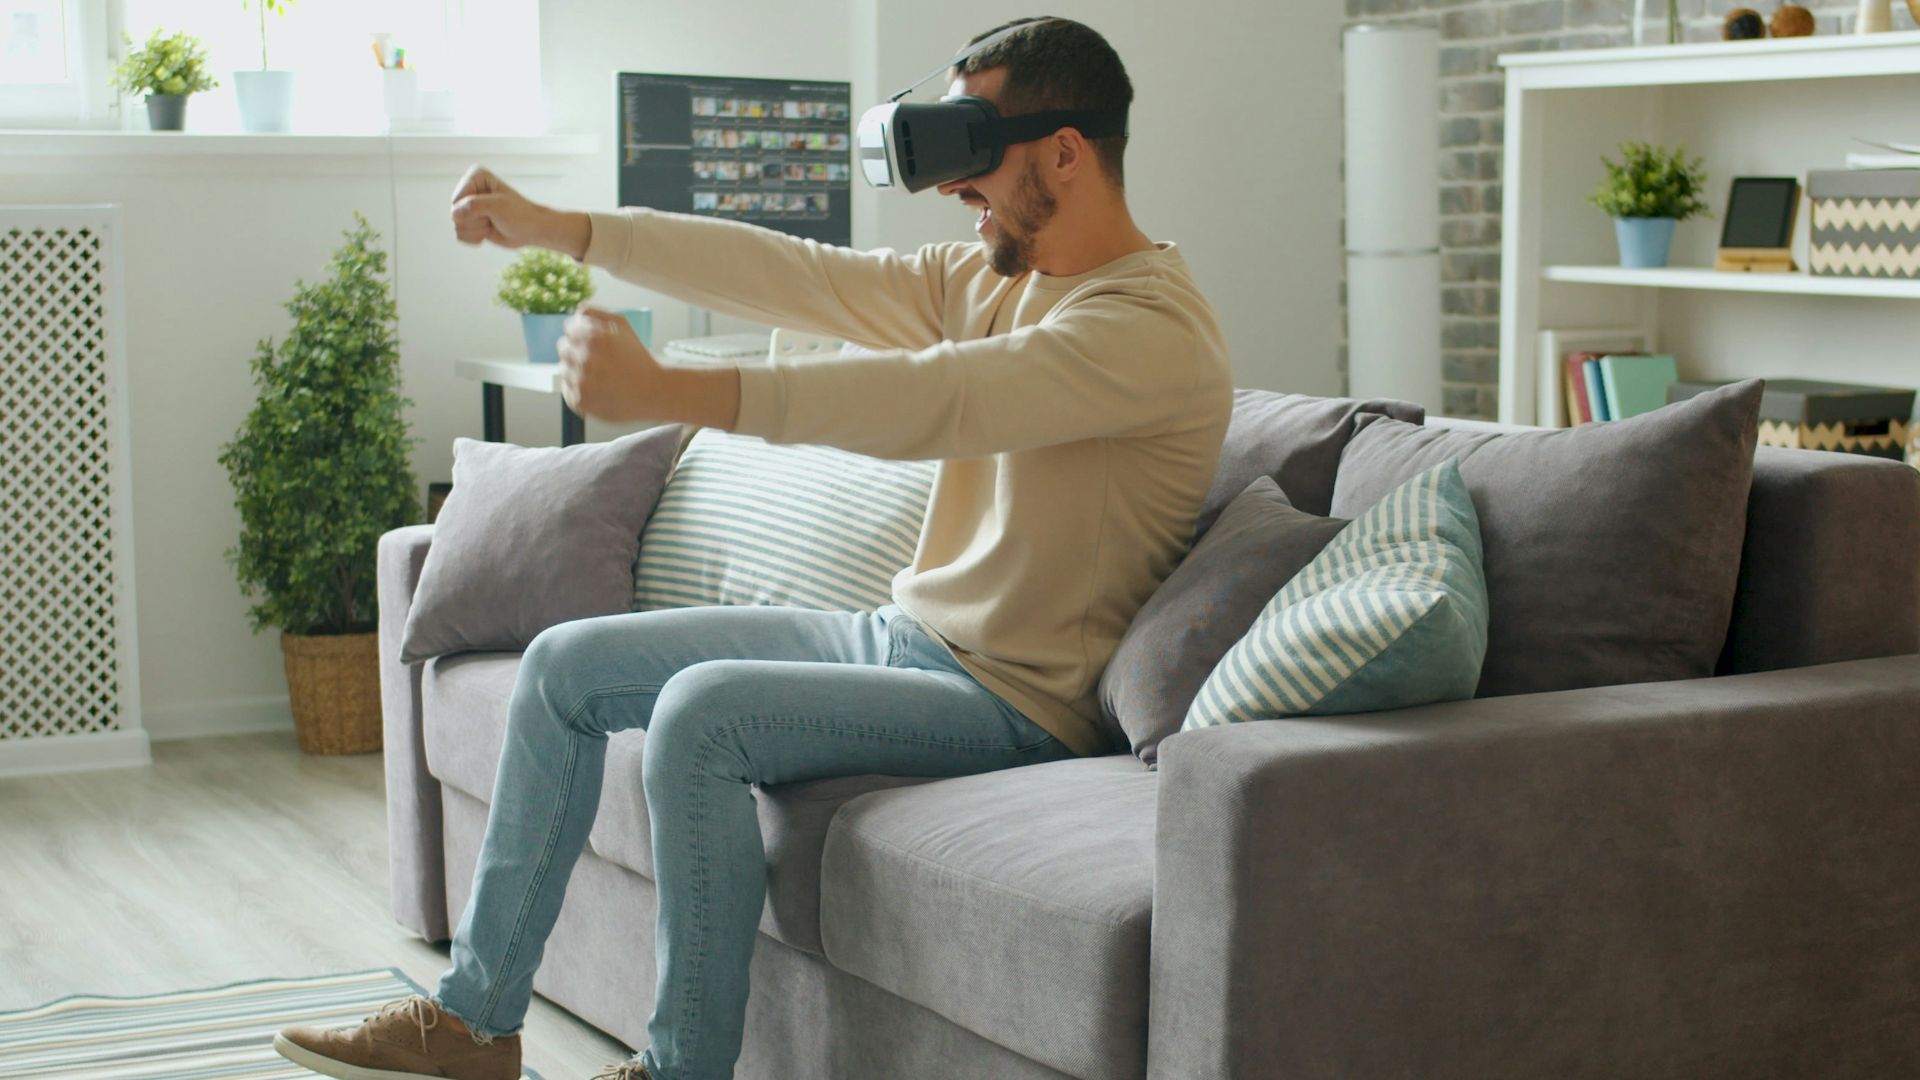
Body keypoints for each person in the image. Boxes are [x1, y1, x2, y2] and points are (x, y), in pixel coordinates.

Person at [274, 16, 1231, 1080]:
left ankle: (680, 1069)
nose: (958, 191)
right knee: (563, 665)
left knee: (699, 717)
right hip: (903, 636)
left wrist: (677, 394)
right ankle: (473, 1025)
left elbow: (936, 402)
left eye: (977, 155)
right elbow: (790, 275)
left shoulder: (1148, 331)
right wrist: (563, 227)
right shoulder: (995, 278)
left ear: (1066, 150)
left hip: (1018, 701)